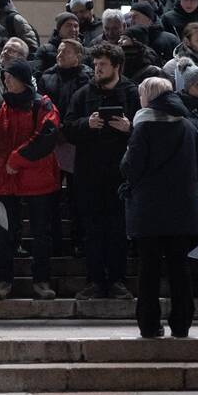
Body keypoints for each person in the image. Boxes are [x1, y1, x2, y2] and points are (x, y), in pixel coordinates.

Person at [122, 77, 198, 338]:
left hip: (149, 210)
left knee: (149, 269)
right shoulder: (188, 127)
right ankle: (181, 323)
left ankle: (149, 324)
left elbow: (130, 168)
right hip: (182, 209)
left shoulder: (143, 127)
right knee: (179, 268)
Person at [62, 42, 140, 300]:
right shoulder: (82, 94)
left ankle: (117, 280)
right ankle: (94, 280)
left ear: (116, 66)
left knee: (118, 229)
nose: (97, 69)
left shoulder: (131, 93)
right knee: (92, 229)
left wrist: (129, 128)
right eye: (95, 65)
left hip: (120, 173)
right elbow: (69, 128)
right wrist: (88, 123)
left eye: (103, 65)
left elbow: (144, 128)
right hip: (89, 173)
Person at [0, 60, 60, 301]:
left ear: (24, 80)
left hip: (37, 180)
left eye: (10, 77)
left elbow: (46, 136)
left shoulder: (43, 105)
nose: (6, 81)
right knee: (3, 233)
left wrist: (17, 159)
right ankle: (3, 280)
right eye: (5, 77)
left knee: (40, 233)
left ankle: (41, 280)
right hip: (4, 181)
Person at [37, 38, 92, 258]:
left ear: (78, 56)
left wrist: (68, 130)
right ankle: (55, 241)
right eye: (58, 50)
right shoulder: (46, 76)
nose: (59, 54)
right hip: (52, 142)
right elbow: (41, 105)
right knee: (50, 195)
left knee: (78, 196)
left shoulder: (87, 78)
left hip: (77, 142)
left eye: (65, 52)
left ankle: (79, 239)